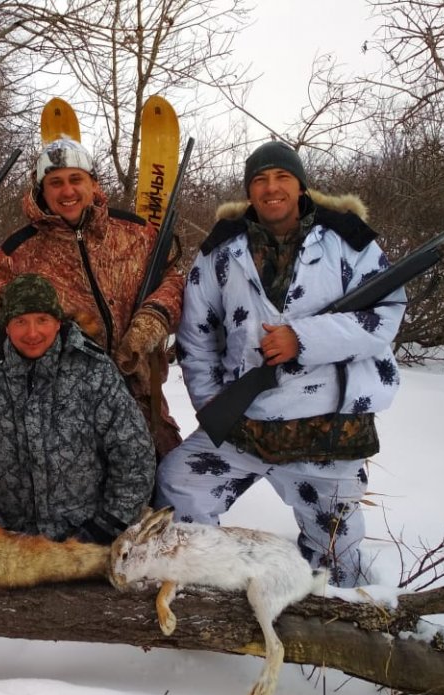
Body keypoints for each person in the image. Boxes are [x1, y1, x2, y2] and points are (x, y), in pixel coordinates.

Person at [155, 141, 406, 586]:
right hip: (245, 428)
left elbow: (385, 316)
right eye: (260, 180)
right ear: (249, 191)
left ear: (300, 185)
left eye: (282, 178)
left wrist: (303, 340)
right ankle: (205, 589)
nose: (271, 188)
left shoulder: (348, 241)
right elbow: (197, 337)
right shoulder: (220, 251)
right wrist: (215, 404)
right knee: (179, 486)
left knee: (337, 558)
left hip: (327, 432)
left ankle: (332, 630)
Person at [0, 136, 185, 458]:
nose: (67, 191)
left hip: (141, 394)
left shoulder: (136, 233)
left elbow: (174, 282)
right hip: (64, 407)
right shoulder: (18, 250)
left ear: (93, 183)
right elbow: (0, 320)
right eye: (55, 182)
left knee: (165, 488)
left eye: (76, 179)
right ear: (41, 190)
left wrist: (150, 324)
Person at [0, 273, 155, 544]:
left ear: (58, 323)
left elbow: (134, 456)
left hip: (92, 544)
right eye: (20, 321)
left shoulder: (95, 372)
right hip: (1, 548)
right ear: (6, 326)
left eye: (42, 320)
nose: (32, 333)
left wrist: (103, 528)